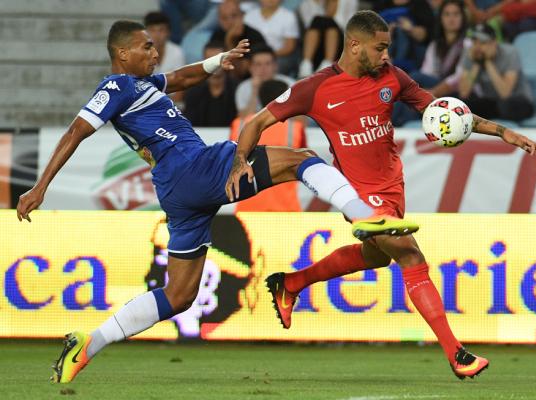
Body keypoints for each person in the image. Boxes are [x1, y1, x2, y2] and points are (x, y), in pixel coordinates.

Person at [16, 20, 418, 384]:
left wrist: (218, 61)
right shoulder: (114, 88)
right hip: (195, 166)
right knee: (302, 160)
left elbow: (181, 77)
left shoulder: (142, 86)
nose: (155, 53)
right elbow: (75, 131)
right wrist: (40, 187)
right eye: (146, 47)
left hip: (177, 191)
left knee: (179, 295)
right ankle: (367, 216)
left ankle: (89, 343)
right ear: (122, 54)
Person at [226, 10, 536, 380]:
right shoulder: (315, 89)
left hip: (393, 187)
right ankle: (457, 354)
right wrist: (239, 161)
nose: (386, 56)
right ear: (354, 44)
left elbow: (443, 111)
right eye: (379, 48)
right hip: (359, 197)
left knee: (375, 258)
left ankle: (291, 283)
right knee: (410, 256)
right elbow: (257, 122)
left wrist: (501, 131)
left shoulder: (392, 77)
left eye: (388, 48)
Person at [230, 79, 306, 211]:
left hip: (248, 209)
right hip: (286, 211)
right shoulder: (295, 128)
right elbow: (305, 161)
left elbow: (230, 158)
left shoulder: (239, 125)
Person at [458, 23, 534, 122]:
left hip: (518, 100)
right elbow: (463, 93)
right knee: (460, 106)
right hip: (491, 102)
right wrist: (476, 63)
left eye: (482, 42)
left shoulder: (510, 53)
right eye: (475, 42)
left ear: (494, 43)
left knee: (505, 107)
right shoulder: (470, 53)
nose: (478, 47)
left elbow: (505, 93)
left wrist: (488, 62)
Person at [183, 40, 238, 127]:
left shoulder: (237, 89)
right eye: (210, 59)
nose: (214, 64)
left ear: (227, 60)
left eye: (218, 59)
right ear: (203, 61)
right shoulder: (193, 92)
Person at [297, 0, 359, 78]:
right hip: (316, 44)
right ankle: (306, 63)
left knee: (330, 23)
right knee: (318, 20)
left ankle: (327, 63)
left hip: (340, 42)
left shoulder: (349, 1)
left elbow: (350, 26)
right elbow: (309, 25)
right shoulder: (308, 3)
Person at [235, 45, 294, 117]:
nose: (263, 68)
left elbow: (300, 119)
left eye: (268, 64)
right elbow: (244, 119)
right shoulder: (243, 88)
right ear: (250, 68)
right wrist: (255, 90)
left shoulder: (290, 84)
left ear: (275, 66)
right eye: (258, 64)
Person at [244, 0, 300, 75]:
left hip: (278, 56)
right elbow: (244, 40)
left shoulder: (289, 16)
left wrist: (268, 56)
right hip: (253, 55)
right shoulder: (248, 16)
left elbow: (289, 46)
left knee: (271, 66)